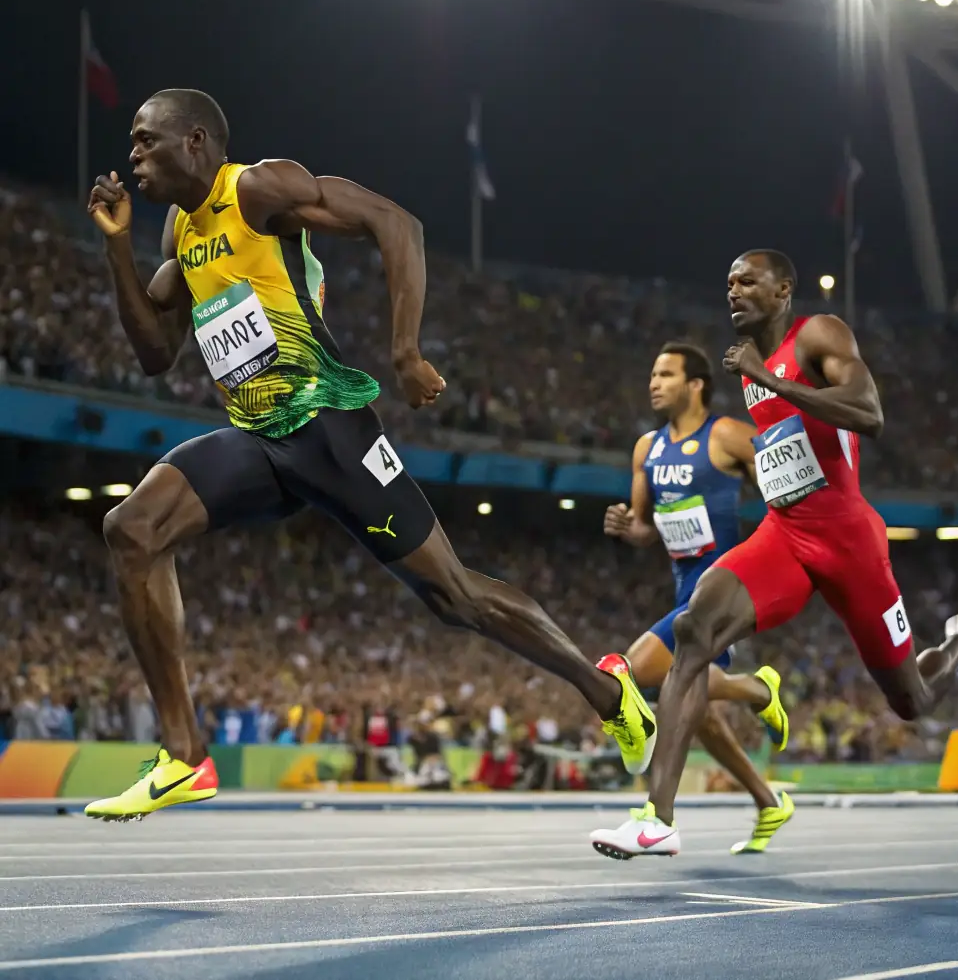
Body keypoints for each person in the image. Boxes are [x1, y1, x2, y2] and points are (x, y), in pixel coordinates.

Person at [82, 88, 656, 819]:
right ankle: (185, 754)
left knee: (456, 596)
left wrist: (406, 350)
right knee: (131, 529)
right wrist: (114, 246)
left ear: (194, 141)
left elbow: (396, 222)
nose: (132, 155)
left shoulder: (259, 188)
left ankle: (609, 692)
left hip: (331, 431)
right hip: (261, 441)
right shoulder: (178, 235)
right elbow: (156, 353)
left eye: (145, 140)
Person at [592, 249, 958, 858]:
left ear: (783, 292)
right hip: (785, 535)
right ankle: (658, 818)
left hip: (851, 544)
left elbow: (870, 415)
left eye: (747, 281)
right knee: (695, 628)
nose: (733, 291)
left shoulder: (817, 336)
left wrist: (775, 379)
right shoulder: (748, 368)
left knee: (909, 699)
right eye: (727, 282)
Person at [601, 342, 793, 854]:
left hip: (725, 588)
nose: (654, 383)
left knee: (634, 669)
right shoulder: (647, 448)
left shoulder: (727, 435)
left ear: (695, 385)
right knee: (695, 708)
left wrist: (773, 553)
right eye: (652, 374)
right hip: (684, 586)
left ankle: (657, 813)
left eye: (666, 374)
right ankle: (767, 793)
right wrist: (627, 527)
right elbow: (647, 529)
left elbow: (787, 491)